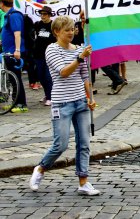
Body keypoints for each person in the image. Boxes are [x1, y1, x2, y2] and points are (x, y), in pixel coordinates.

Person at [29, 16, 100, 195]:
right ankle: (41, 168)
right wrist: (80, 58)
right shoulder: (52, 49)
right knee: (60, 144)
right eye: (66, 29)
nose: (71, 32)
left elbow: (85, 77)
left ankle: (83, 181)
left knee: (84, 143)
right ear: (56, 32)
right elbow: (63, 72)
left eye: (72, 29)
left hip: (81, 103)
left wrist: (89, 97)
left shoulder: (80, 49)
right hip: (61, 103)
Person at [0, 0, 28, 112]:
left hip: (13, 52)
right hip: (7, 51)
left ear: (2, 3)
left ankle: (21, 104)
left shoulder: (14, 15)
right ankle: (15, 102)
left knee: (16, 77)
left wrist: (17, 50)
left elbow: (17, 34)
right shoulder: (8, 15)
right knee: (11, 79)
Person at [34, 6, 55, 106]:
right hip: (38, 54)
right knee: (40, 77)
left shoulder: (53, 25)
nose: (43, 16)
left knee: (48, 77)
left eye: (45, 14)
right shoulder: (38, 25)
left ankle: (51, 97)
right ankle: (47, 94)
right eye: (41, 14)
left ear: (49, 15)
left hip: (49, 55)